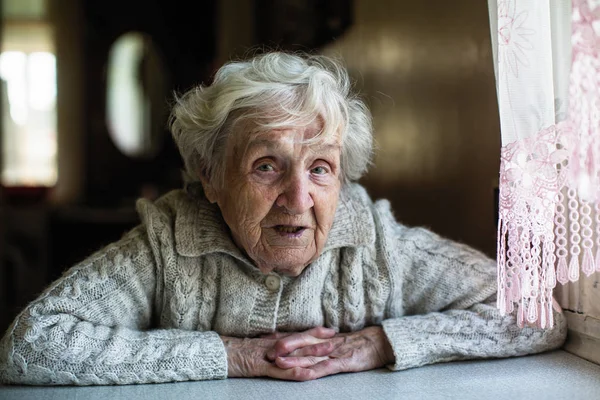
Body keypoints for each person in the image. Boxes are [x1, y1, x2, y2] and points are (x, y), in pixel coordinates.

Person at [0, 51, 566, 386]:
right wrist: (230, 355)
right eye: (266, 165)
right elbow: (32, 345)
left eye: (321, 168)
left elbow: (536, 312)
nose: (299, 198)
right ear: (211, 175)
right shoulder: (167, 245)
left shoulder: (372, 243)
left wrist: (378, 344)